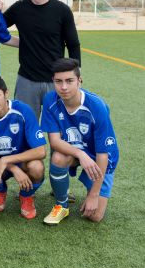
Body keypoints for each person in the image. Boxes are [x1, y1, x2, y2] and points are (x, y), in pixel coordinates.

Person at [41, 58, 119, 225]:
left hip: (100, 157)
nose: (63, 87)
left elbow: (103, 154)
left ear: (79, 81)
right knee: (58, 157)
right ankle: (61, 206)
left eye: (69, 81)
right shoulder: (50, 100)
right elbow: (54, 142)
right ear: (53, 82)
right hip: (74, 151)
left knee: (95, 216)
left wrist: (93, 195)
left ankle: (93, 191)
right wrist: (80, 154)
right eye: (58, 81)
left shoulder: (97, 106)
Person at [3, 0, 81, 119]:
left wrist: (76, 75)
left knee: (62, 128)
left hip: (57, 80)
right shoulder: (19, 9)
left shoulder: (62, 10)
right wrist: (22, 42)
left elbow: (73, 45)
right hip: (27, 79)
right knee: (24, 127)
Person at [0, 75, 47, 220]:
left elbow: (41, 151)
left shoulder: (23, 111)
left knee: (37, 168)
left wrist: (7, 160)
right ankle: (0, 191)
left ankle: (26, 196)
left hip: (21, 161)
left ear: (6, 93)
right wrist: (12, 167)